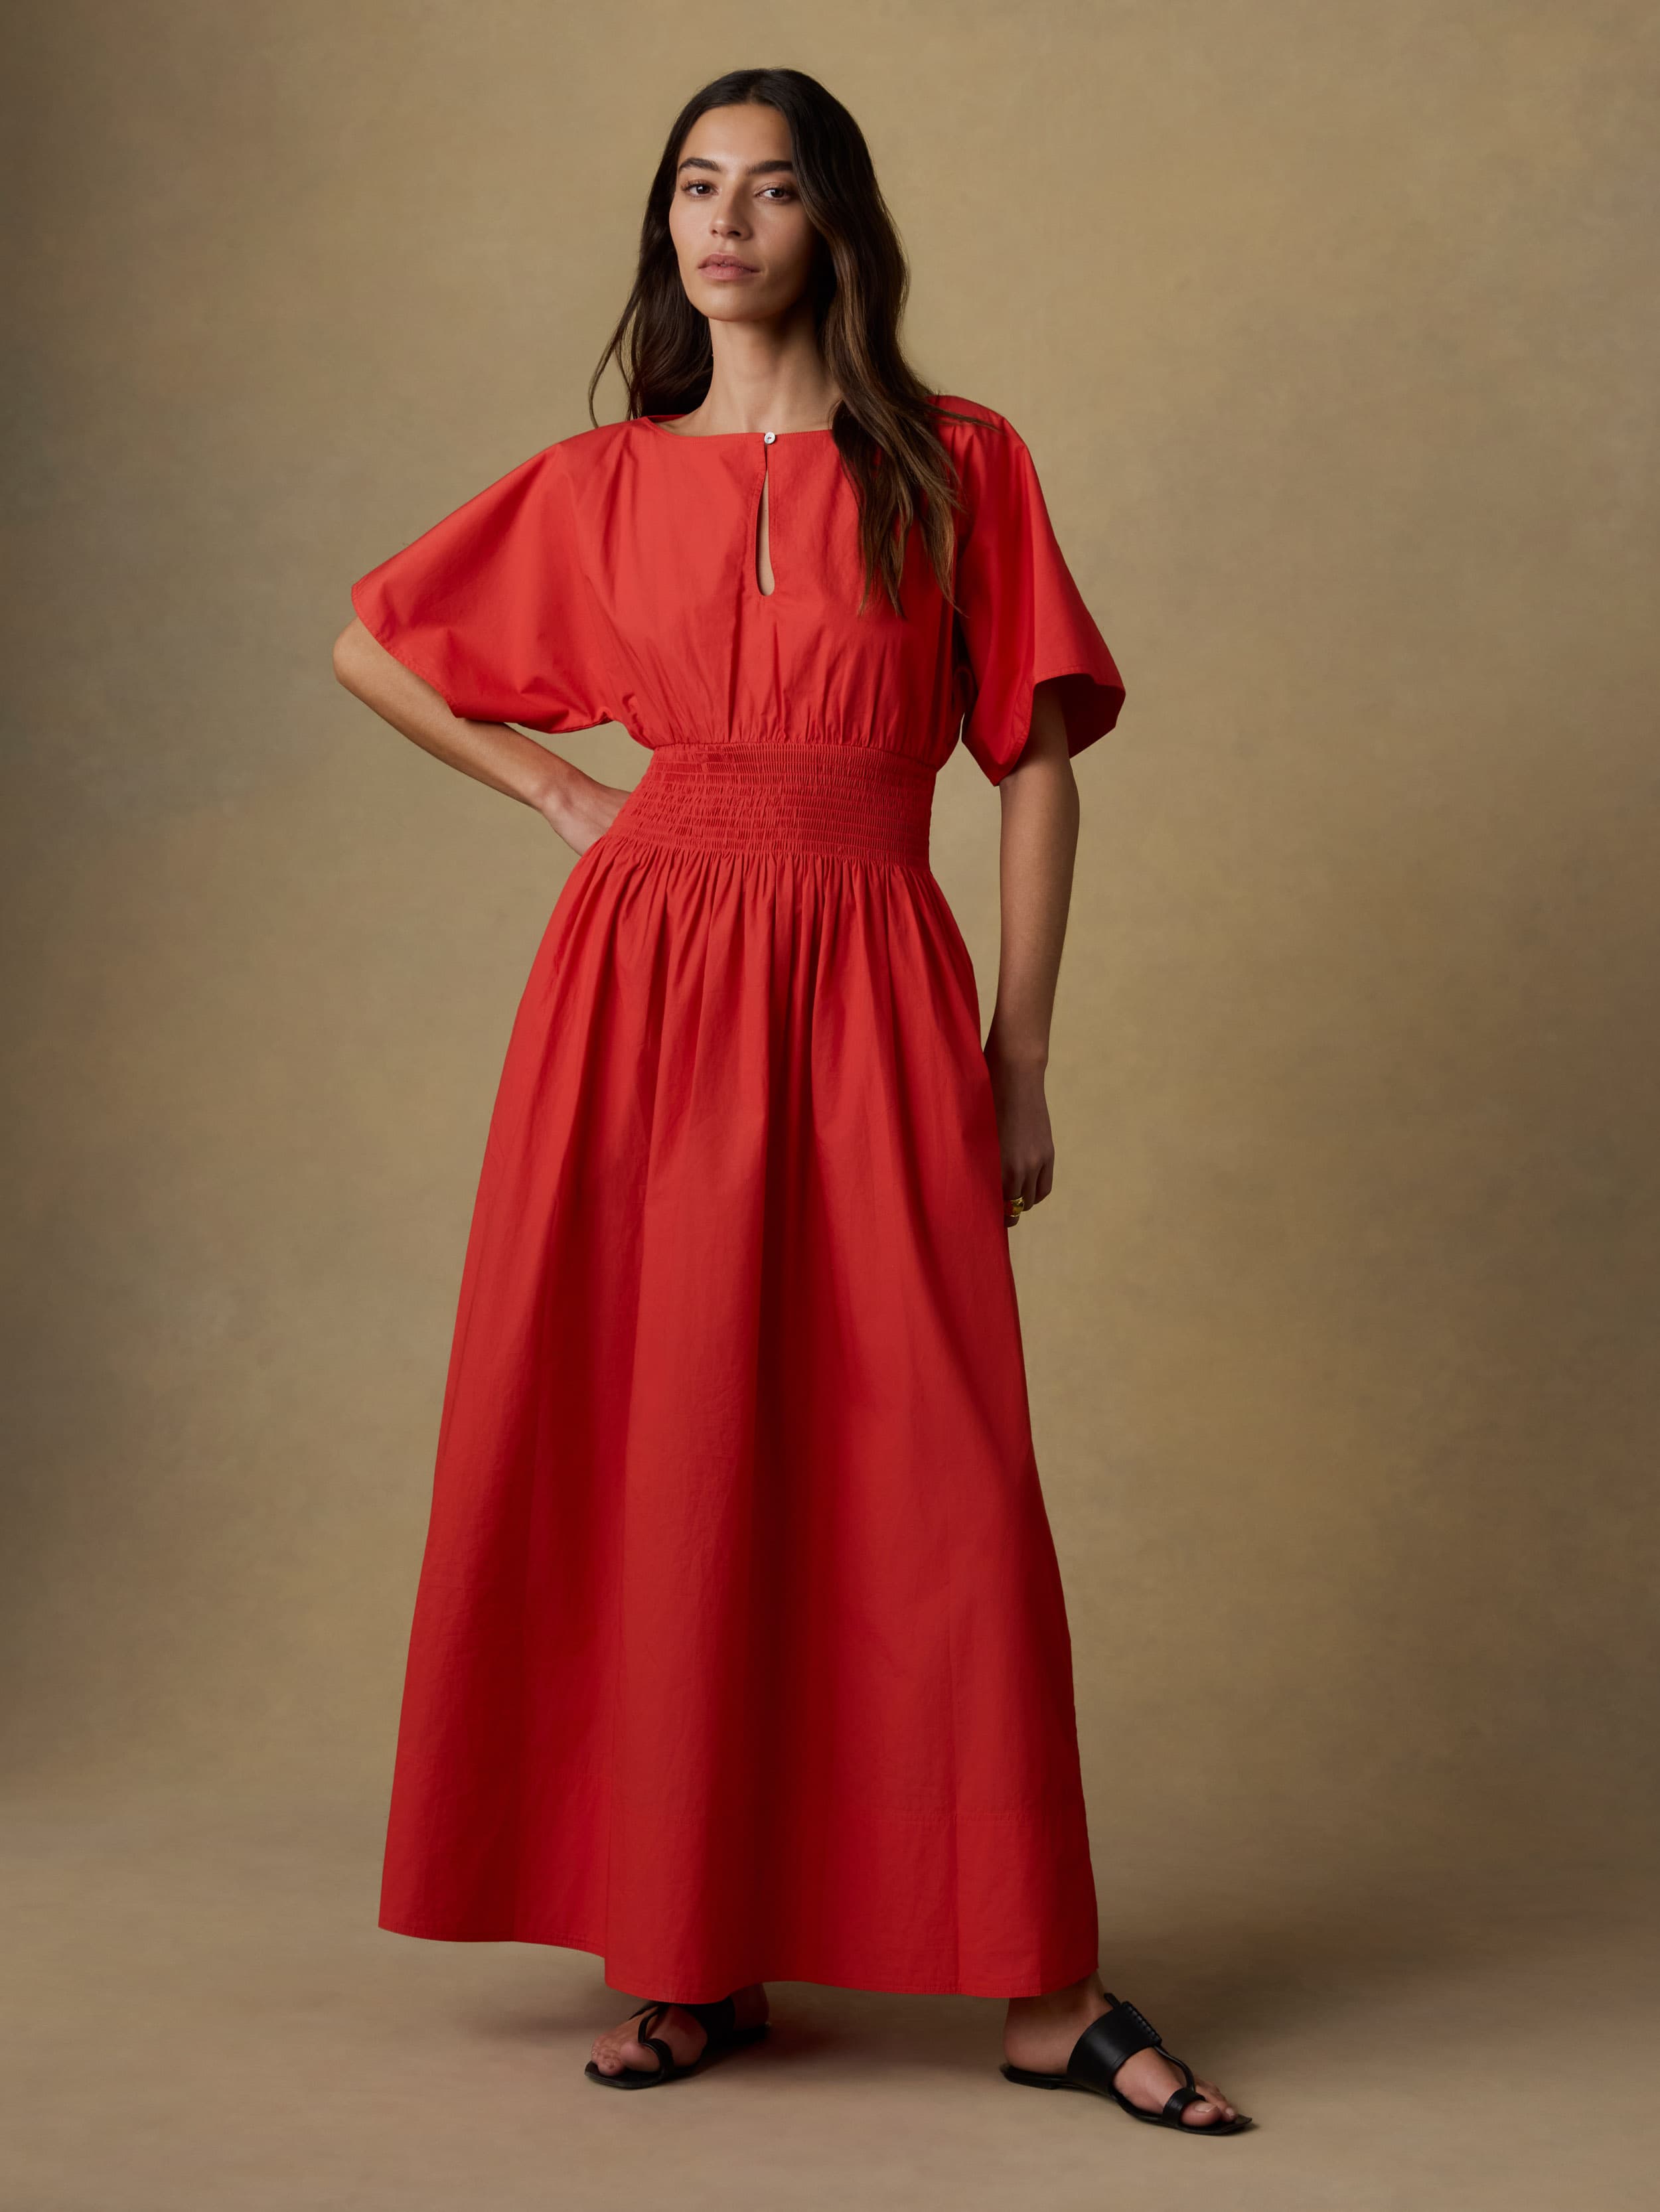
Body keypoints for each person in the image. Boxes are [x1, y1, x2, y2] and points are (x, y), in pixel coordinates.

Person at [332, 66, 1248, 2136]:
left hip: (873, 978)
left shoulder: (957, 462)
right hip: (642, 993)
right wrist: (562, 790)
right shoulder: (599, 480)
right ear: (667, 226)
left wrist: (1021, 1055)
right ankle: (688, 1949)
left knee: (936, 1468)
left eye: (766, 188)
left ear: (836, 223)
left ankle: (1045, 1990)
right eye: (694, 186)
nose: (723, 221)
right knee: (667, 1445)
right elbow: (373, 646)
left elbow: (1034, 765)